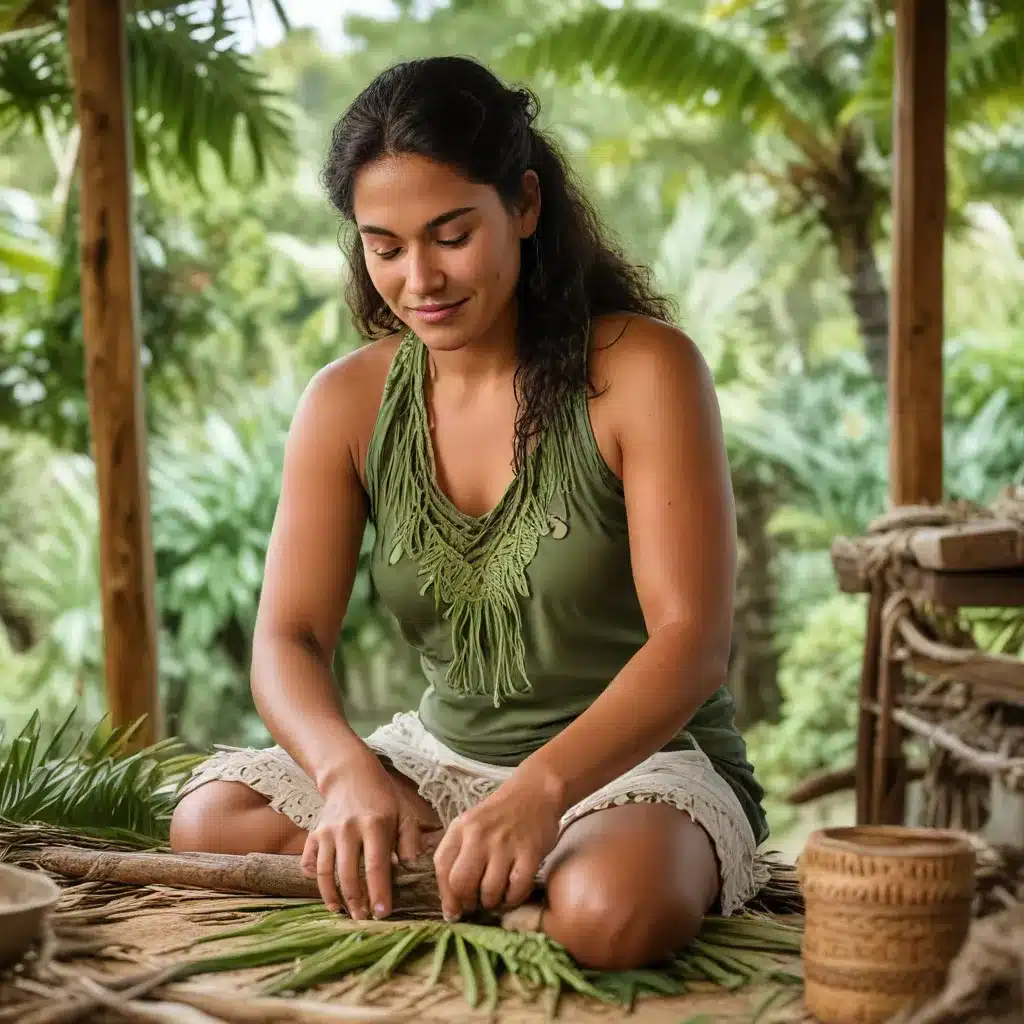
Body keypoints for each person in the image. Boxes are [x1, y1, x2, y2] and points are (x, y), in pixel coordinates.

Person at [170, 55, 769, 972]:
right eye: (386, 246)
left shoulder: (645, 371)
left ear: (524, 206)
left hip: (637, 773)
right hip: (439, 767)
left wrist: (540, 792)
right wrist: (347, 776)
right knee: (208, 821)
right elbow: (286, 638)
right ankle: (499, 894)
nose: (420, 279)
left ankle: (513, 893)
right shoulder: (347, 402)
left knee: (614, 914)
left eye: (452, 235)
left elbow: (691, 640)